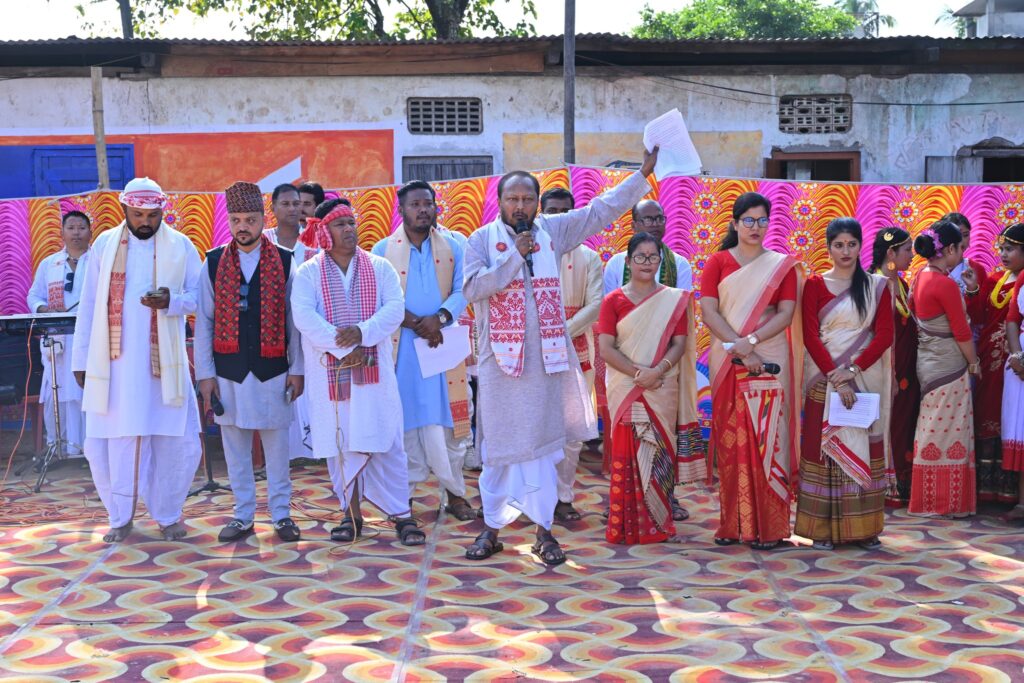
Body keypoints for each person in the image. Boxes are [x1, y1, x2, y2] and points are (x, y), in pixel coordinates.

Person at [462, 145, 659, 566]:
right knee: (499, 448)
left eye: (527, 199)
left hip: (546, 362)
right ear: (500, 202)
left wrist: (642, 174)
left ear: (537, 202)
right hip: (500, 366)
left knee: (544, 449)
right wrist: (514, 257)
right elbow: (474, 289)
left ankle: (544, 532)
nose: (520, 206)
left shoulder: (552, 231)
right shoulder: (481, 240)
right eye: (512, 199)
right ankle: (492, 529)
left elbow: (600, 211)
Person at [71, 177, 203, 543]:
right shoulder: (104, 245)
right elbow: (89, 304)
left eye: (152, 215)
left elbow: (200, 296)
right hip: (115, 366)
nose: (146, 222)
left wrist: (172, 302)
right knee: (117, 441)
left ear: (162, 211)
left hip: (166, 369)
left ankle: (168, 514)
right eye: (138, 215)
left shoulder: (181, 245)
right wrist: (81, 360)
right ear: (125, 210)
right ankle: (120, 517)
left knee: (174, 441)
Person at [290, 198, 426, 545]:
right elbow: (304, 317)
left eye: (351, 222)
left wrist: (362, 333)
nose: (350, 229)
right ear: (324, 232)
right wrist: (344, 344)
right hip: (330, 378)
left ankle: (402, 516)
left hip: (375, 376)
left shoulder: (380, 267)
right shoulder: (308, 272)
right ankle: (350, 516)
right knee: (341, 445)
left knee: (388, 443)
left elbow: (394, 310)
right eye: (340, 224)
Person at [194, 181, 305, 543]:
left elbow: (294, 321)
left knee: (277, 450)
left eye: (251, 220)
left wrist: (297, 369)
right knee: (235, 449)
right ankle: (242, 516)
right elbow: (204, 321)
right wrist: (205, 375)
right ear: (229, 220)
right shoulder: (213, 262)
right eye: (236, 220)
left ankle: (282, 515)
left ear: (263, 220)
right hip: (228, 371)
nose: (243, 227)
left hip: (273, 370)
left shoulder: (285, 261)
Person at [700, 191, 801, 551]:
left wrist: (753, 341)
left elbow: (786, 314)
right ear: (734, 223)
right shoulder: (718, 262)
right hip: (729, 360)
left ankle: (771, 528)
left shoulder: (781, 266)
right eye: (748, 221)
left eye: (762, 221)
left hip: (769, 358)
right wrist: (739, 347)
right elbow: (709, 312)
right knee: (731, 443)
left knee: (768, 441)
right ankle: (733, 523)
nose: (755, 227)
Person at [372, 180, 475, 519]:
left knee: (448, 425)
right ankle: (403, 497)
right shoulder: (382, 250)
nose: (423, 210)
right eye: (415, 204)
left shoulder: (454, 246)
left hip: (441, 346)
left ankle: (455, 494)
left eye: (428, 203)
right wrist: (417, 322)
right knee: (406, 425)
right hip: (401, 350)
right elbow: (378, 298)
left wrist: (440, 318)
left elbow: (463, 289)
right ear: (401, 210)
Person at [598, 232, 704, 545]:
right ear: (628, 261)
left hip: (661, 385)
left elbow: (679, 344)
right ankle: (626, 524)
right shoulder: (613, 301)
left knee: (659, 453)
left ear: (660, 261)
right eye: (640, 257)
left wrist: (657, 371)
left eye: (653, 257)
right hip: (626, 386)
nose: (647, 262)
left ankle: (659, 524)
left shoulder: (673, 300)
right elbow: (606, 348)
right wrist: (638, 373)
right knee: (628, 451)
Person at [796, 218, 895, 551]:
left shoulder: (876, 286)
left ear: (860, 246)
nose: (845, 251)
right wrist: (835, 377)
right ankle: (821, 530)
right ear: (828, 248)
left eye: (851, 244)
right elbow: (810, 336)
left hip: (863, 378)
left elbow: (884, 335)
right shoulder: (814, 284)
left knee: (864, 445)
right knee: (822, 449)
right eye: (838, 245)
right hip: (822, 379)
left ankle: (864, 530)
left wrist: (852, 370)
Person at [907, 220, 980, 519]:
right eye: (960, 248)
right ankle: (944, 503)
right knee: (950, 432)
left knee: (931, 428)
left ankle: (928, 499)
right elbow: (961, 332)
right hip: (949, 365)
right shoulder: (945, 283)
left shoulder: (920, 276)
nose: (962, 254)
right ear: (949, 249)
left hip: (928, 363)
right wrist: (974, 363)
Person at [540, 187, 604, 523]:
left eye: (565, 211)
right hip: (533, 353)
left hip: (576, 353)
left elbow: (595, 306)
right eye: (551, 211)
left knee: (571, 431)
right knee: (536, 428)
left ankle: (563, 497)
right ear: (541, 213)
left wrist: (559, 332)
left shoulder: (589, 257)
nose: (558, 218)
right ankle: (535, 497)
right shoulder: (527, 253)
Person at [27, 210, 91, 458]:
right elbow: (34, 296)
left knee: (87, 392)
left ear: (90, 232)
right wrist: (45, 309)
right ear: (62, 232)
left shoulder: (98, 261)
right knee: (60, 389)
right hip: (59, 340)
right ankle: (62, 448)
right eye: (71, 228)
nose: (76, 233)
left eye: (81, 228)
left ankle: (90, 450)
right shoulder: (49, 264)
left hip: (89, 338)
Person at [966, 222, 1022, 504]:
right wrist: (974, 291)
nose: (1003, 254)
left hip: (1013, 361)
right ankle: (987, 490)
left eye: (1010, 249)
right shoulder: (994, 279)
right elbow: (979, 317)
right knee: (988, 412)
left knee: (1013, 419)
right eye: (1001, 249)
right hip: (991, 359)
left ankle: (1011, 492)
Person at [266, 183, 318, 463]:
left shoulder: (314, 244)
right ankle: (283, 452)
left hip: (307, 327)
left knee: (307, 383)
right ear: (273, 208)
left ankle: (312, 448)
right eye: (285, 204)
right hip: (271, 327)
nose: (292, 209)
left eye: (296, 204)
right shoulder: (262, 241)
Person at [869, 227, 919, 507]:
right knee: (884, 425)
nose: (912, 255)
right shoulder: (874, 285)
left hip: (906, 373)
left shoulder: (901, 284)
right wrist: (889, 372)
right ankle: (882, 485)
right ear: (891, 253)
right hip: (885, 371)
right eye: (907, 250)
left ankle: (900, 482)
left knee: (901, 425)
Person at [602, 199, 693, 295]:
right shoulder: (616, 263)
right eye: (648, 220)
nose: (655, 224)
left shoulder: (680, 264)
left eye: (659, 218)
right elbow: (610, 302)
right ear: (634, 226)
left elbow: (682, 303)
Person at [1001, 225, 1024, 521]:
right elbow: (1011, 320)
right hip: (1020, 361)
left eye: (1010, 248)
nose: (1004, 254)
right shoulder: (1022, 280)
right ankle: (1022, 502)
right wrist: (1017, 356)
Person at [943, 212, 987, 299]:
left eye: (965, 235)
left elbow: (983, 305)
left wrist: (972, 289)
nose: (961, 240)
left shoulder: (977, 269)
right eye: (955, 235)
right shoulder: (932, 269)